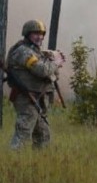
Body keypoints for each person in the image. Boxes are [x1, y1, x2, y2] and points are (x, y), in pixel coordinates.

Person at [5, 19, 65, 150]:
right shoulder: (23, 51)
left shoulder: (36, 52)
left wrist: (51, 60)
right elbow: (42, 70)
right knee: (23, 132)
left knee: (43, 135)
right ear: (27, 34)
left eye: (42, 34)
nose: (40, 37)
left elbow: (52, 75)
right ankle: (12, 159)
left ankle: (40, 162)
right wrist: (55, 62)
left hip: (37, 98)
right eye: (36, 33)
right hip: (26, 97)